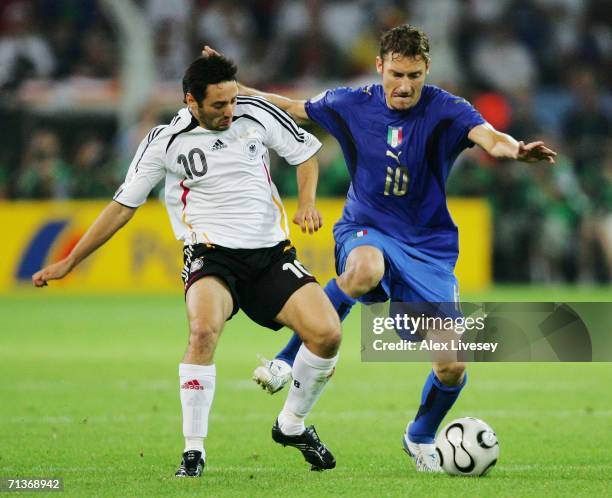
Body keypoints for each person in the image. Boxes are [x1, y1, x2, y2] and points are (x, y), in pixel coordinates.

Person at [210, 24, 556, 472]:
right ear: (379, 68)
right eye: (396, 74)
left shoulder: (447, 110)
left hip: (428, 247)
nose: (405, 85)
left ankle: (420, 438)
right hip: (365, 227)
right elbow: (293, 108)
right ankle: (285, 360)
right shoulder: (352, 103)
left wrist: (514, 150)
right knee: (366, 269)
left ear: (427, 69)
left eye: (414, 75)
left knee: (452, 365)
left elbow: (489, 136)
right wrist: (234, 90)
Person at [32, 55, 342, 477]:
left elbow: (306, 155)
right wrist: (69, 261)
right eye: (218, 105)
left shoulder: (254, 112)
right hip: (211, 255)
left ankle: (291, 424)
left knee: (327, 335)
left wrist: (306, 203)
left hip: (271, 254)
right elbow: (123, 206)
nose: (229, 111)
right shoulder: (165, 139)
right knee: (202, 331)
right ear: (191, 101)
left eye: (233, 100)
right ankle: (193, 451)